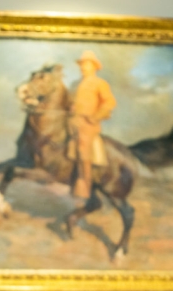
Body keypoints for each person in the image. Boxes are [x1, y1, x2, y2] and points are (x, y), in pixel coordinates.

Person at [67, 50, 117, 202]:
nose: (83, 67)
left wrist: (95, 116)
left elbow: (110, 102)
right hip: (72, 121)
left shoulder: (100, 83)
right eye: (82, 64)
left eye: (87, 64)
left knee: (83, 149)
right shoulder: (75, 84)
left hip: (88, 124)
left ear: (94, 66)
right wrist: (70, 107)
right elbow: (70, 101)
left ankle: (84, 187)